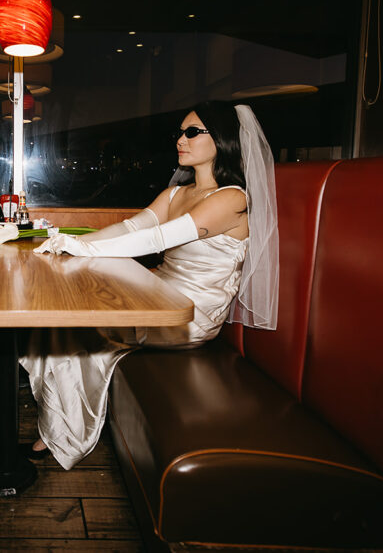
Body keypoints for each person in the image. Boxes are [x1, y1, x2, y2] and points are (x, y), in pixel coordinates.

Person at [21, 101, 279, 470]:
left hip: (190, 314)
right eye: (180, 132)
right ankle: (58, 426)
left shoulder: (232, 198)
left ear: (220, 141)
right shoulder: (176, 193)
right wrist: (70, 242)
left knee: (72, 327)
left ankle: (64, 435)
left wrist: (80, 248)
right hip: (157, 293)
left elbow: (157, 240)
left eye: (192, 132)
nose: (181, 139)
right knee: (57, 320)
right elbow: (131, 228)